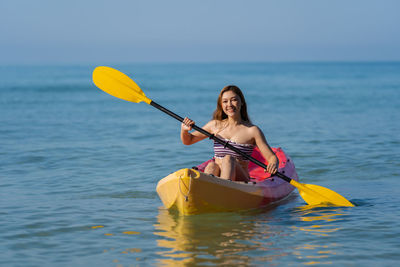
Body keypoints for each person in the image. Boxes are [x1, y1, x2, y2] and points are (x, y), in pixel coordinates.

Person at [181, 85, 278, 182]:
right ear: (221, 105)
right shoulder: (215, 125)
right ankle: (209, 189)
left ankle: (223, 189)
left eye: (234, 100)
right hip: (218, 177)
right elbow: (189, 140)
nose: (229, 104)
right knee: (212, 165)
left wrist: (273, 164)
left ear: (242, 102)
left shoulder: (252, 130)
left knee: (228, 159)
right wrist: (184, 130)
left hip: (240, 181)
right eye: (225, 101)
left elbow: (271, 157)